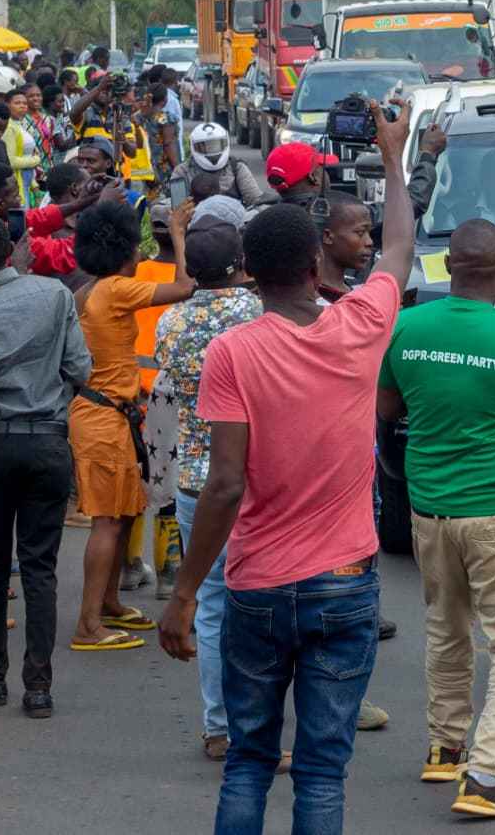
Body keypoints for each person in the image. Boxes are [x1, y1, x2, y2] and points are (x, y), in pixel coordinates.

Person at [160, 105, 413, 835]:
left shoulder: (233, 353)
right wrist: (392, 158)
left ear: (246, 272)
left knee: (247, 759)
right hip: (343, 581)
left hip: (258, 586)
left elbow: (227, 482)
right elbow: (397, 246)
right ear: (314, 266)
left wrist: (182, 594)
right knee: (323, 769)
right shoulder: (360, 324)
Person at [380, 218, 495, 818]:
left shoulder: (405, 329)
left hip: (430, 511)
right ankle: (485, 777)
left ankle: (446, 746)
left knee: (445, 626)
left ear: (448, 268)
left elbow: (385, 409)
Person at [0, 211, 89, 719]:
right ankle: (39, 686)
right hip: (48, 443)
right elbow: (80, 368)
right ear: (11, 252)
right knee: (39, 568)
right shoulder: (55, 296)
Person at [152, 213, 263, 761]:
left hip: (197, 479)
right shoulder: (258, 312)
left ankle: (219, 726)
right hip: (256, 475)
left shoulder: (168, 323)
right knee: (265, 603)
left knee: (213, 606)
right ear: (242, 265)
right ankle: (262, 722)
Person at [65, 198, 188, 652]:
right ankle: (88, 625)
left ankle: (110, 602)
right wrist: (176, 236)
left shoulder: (90, 289)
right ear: (122, 253)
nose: (141, 256)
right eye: (138, 249)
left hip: (108, 414)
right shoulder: (116, 289)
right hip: (103, 416)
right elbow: (185, 287)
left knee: (123, 512)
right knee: (107, 523)